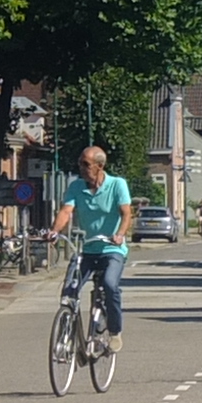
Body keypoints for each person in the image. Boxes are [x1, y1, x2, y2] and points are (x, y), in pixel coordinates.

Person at [57, 144, 134, 352]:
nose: (81, 168)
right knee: (69, 289)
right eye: (80, 164)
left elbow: (126, 213)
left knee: (109, 284)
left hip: (112, 249)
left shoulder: (117, 184)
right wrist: (54, 231)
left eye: (86, 164)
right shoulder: (76, 187)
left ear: (100, 166)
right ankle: (67, 334)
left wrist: (119, 235)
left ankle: (115, 331)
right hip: (88, 248)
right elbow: (66, 211)